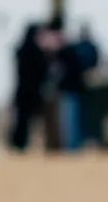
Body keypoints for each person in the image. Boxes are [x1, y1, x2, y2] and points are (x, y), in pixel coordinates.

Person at [55, 22, 100, 151]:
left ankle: (74, 144)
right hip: (77, 88)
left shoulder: (75, 49)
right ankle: (74, 144)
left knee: (73, 118)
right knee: (73, 118)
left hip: (76, 88)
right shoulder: (76, 48)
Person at [9, 21, 49, 153]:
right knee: (34, 119)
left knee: (21, 119)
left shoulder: (21, 49)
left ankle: (19, 143)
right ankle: (29, 143)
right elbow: (42, 71)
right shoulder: (36, 51)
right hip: (32, 91)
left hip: (22, 90)